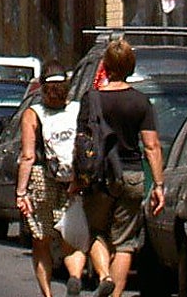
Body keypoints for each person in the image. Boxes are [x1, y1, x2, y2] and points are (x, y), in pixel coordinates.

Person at [73, 39, 165, 297]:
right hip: (132, 175)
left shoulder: (91, 99)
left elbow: (81, 142)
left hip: (100, 176)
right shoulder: (140, 102)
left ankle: (103, 275)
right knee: (125, 243)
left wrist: (76, 178)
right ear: (131, 67)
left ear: (106, 65)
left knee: (96, 232)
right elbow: (151, 146)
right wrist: (158, 184)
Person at [16, 61, 87, 297]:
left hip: (42, 180)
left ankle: (47, 294)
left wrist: (21, 192)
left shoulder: (33, 113)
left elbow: (27, 156)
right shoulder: (77, 109)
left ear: (41, 87)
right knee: (71, 238)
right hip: (72, 181)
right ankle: (75, 276)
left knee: (42, 241)